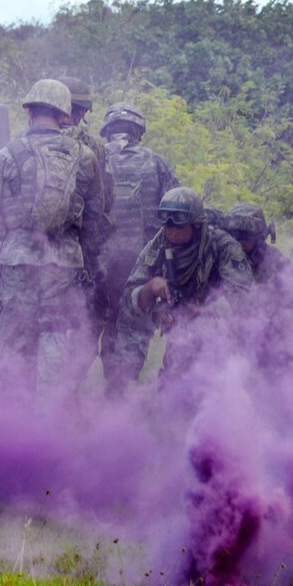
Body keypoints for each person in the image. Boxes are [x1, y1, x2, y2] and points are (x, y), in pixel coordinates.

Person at [0, 79, 108, 406]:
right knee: (54, 338)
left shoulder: (8, 154)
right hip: (63, 265)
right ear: (64, 115)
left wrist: (7, 232)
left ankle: (14, 421)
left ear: (30, 111)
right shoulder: (85, 157)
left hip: (18, 260)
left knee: (14, 343)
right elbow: (95, 218)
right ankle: (49, 422)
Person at [113, 187, 252, 390]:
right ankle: (121, 389)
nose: (172, 232)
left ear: (196, 225)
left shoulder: (223, 246)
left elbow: (247, 300)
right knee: (173, 389)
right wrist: (151, 290)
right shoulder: (159, 244)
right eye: (167, 226)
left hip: (217, 327)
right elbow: (129, 301)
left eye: (179, 226)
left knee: (207, 374)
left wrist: (204, 311)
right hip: (178, 325)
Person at [95, 102, 180, 393]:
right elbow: (177, 216)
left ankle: (105, 385)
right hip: (140, 266)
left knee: (101, 322)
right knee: (132, 328)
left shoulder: (91, 160)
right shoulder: (157, 164)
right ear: (138, 132)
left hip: (96, 264)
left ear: (108, 131)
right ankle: (119, 392)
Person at [58, 77, 114, 381]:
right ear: (82, 110)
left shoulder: (23, 143)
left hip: (31, 257)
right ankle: (69, 391)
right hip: (80, 255)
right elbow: (105, 201)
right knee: (89, 323)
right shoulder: (92, 146)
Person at [222, 202, 293, 361]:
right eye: (235, 236)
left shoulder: (275, 262)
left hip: (271, 344)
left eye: (245, 237)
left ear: (259, 237)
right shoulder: (223, 259)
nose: (239, 242)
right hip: (234, 342)